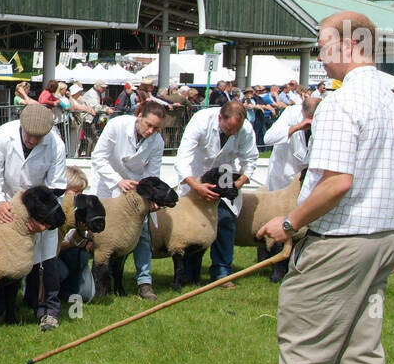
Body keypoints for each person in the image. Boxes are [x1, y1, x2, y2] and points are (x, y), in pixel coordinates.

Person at [230, 10, 394, 364]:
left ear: (349, 45)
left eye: (322, 43)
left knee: (305, 348)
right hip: (383, 242)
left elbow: (336, 184)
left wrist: (287, 223)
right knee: (361, 350)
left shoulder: (340, 103)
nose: (319, 53)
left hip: (340, 244)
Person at [0, 103, 66, 331]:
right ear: (21, 125)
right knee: (1, 258)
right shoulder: (4, 134)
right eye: (29, 135)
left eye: (38, 137)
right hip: (9, 203)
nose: (32, 140)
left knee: (47, 257)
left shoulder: (55, 145)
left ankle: (49, 311)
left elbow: (57, 187)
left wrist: (44, 221)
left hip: (40, 207)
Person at [174, 100, 258, 288]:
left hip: (225, 174)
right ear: (220, 117)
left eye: (236, 130)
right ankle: (189, 273)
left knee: (225, 220)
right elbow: (183, 157)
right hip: (197, 175)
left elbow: (250, 159)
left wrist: (237, 184)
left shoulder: (245, 130)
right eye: (229, 128)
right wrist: (196, 186)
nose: (232, 133)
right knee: (196, 225)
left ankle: (222, 272)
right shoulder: (201, 121)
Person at [90, 100, 166, 300]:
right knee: (103, 238)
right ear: (139, 116)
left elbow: (152, 174)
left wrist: (149, 199)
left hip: (137, 191)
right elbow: (98, 157)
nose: (151, 131)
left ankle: (144, 282)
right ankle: (98, 284)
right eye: (148, 125)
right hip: (108, 186)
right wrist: (118, 181)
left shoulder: (157, 142)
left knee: (142, 233)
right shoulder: (117, 126)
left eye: (156, 128)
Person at [260, 96, 319, 282]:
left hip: (303, 181)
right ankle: (274, 267)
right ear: (303, 112)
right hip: (283, 178)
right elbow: (268, 138)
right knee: (277, 222)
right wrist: (298, 127)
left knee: (300, 224)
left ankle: (296, 265)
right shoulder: (290, 115)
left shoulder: (324, 119)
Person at [55, 166, 94, 302]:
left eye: (81, 192)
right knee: (61, 270)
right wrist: (72, 244)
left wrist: (83, 234)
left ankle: (69, 293)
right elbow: (56, 246)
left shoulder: (77, 210)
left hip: (65, 251)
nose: (79, 196)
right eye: (76, 191)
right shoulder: (56, 209)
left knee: (81, 255)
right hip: (50, 257)